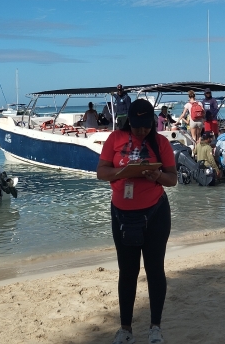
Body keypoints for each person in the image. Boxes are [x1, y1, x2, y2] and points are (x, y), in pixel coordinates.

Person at [96, 98, 177, 344]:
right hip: (122, 214)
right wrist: (122, 172)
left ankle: (155, 327)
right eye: (137, 126)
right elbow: (101, 172)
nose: (142, 131)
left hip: (155, 212)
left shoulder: (161, 142)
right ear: (128, 121)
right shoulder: (114, 140)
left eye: (146, 126)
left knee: (155, 270)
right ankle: (125, 329)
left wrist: (157, 175)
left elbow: (172, 179)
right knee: (127, 272)